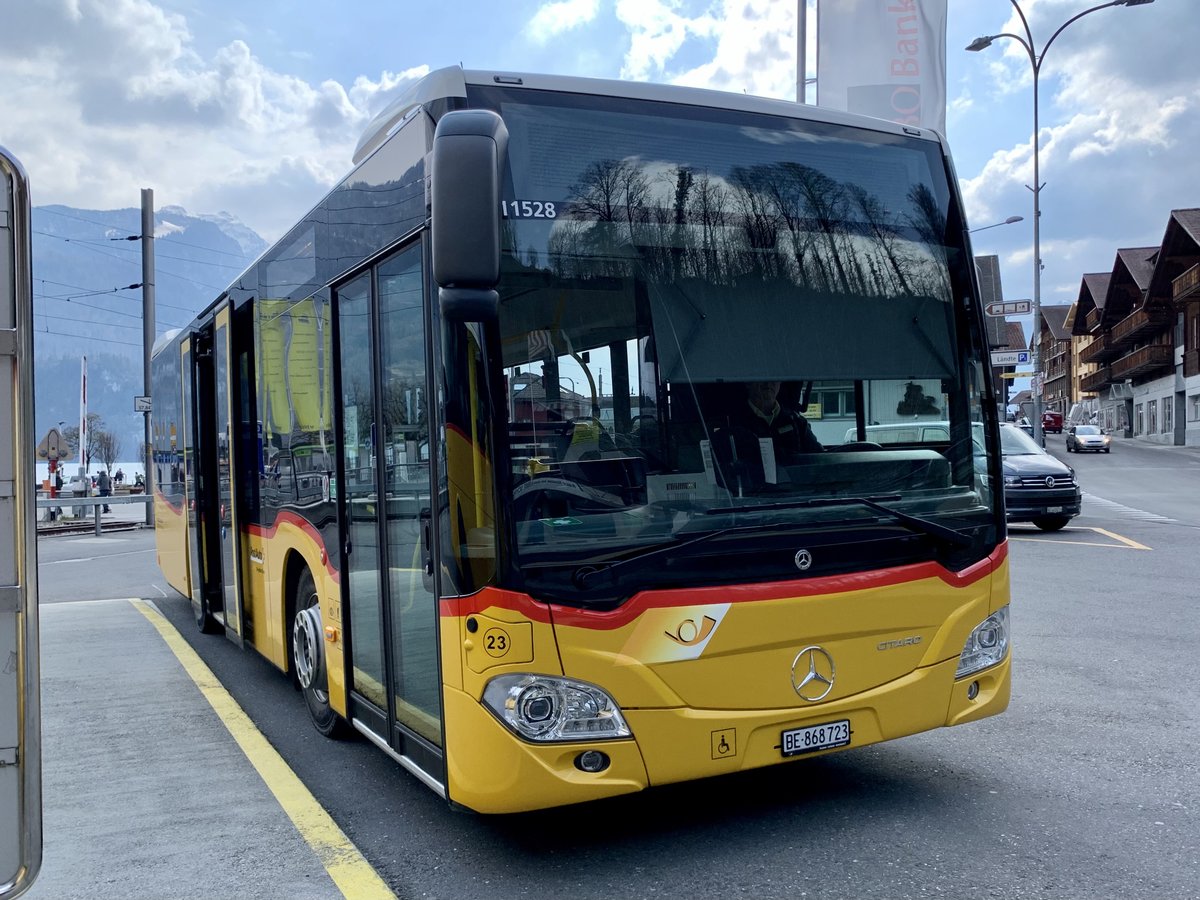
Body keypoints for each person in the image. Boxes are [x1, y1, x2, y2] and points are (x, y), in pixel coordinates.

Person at [731, 381, 823, 457]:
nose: (768, 383)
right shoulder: (732, 423)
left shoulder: (797, 422)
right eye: (761, 377)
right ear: (748, 383)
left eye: (774, 377)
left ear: (780, 383)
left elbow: (818, 459)